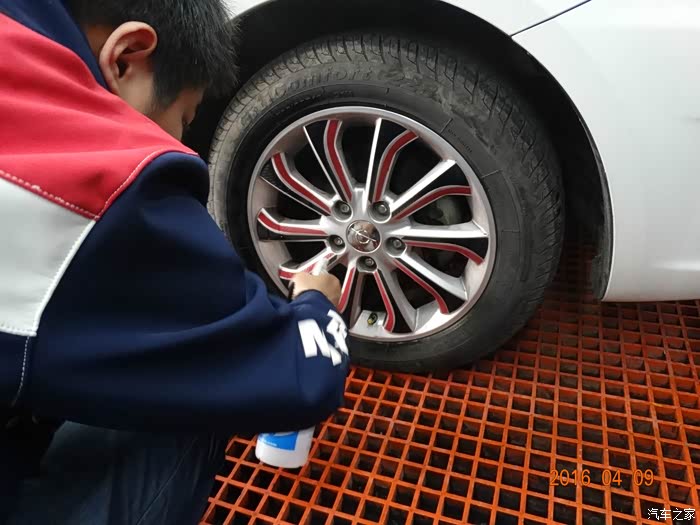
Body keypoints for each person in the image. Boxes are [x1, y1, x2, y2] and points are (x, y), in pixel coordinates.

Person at [0, 1, 349, 524]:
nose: (181, 140)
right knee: (208, 386)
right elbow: (300, 375)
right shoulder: (82, 197)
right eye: (184, 118)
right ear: (127, 58)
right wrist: (317, 303)